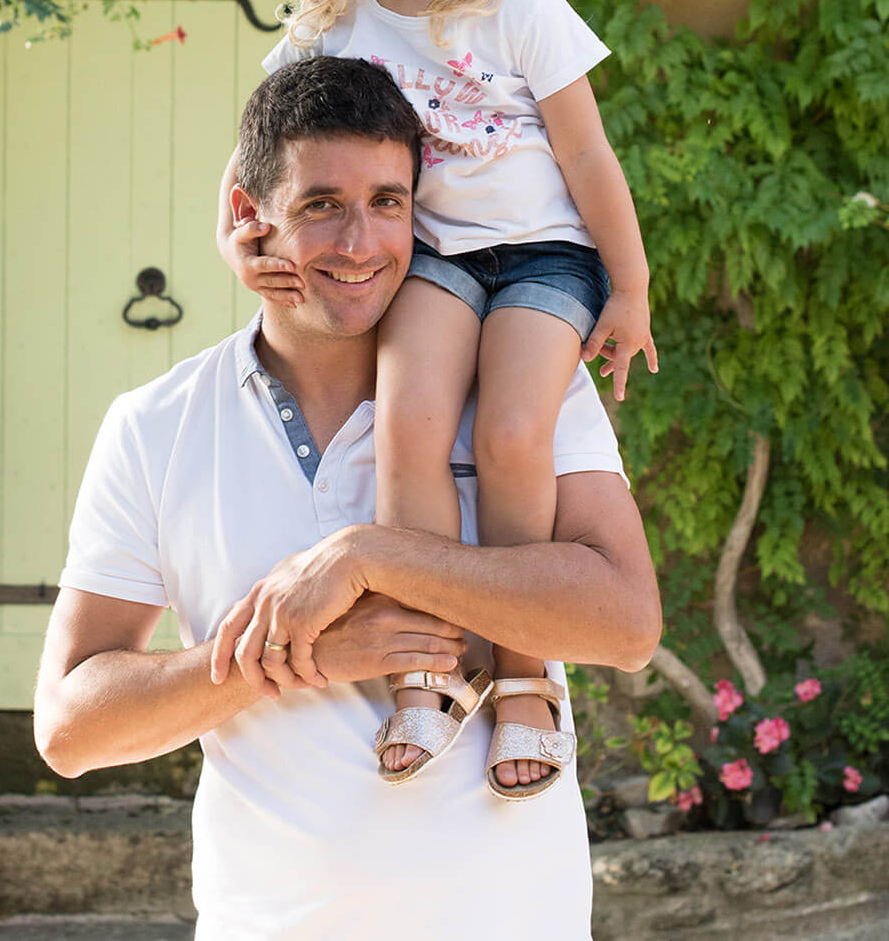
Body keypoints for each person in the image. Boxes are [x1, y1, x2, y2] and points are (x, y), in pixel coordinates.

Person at [36, 55, 661, 939]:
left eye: (388, 202)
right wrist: (298, 657)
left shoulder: (523, 381)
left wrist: (372, 556)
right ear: (250, 215)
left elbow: (627, 622)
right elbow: (70, 727)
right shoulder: (157, 425)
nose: (360, 243)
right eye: (322, 203)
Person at [216, 0, 657, 794]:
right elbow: (253, 158)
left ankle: (522, 669)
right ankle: (434, 659)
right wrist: (238, 240)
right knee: (406, 423)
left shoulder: (518, 5)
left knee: (510, 435)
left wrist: (628, 287)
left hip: (542, 256)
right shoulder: (327, 17)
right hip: (435, 259)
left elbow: (589, 157)